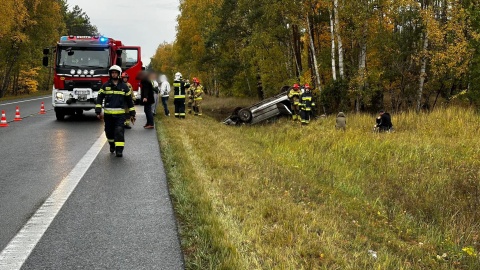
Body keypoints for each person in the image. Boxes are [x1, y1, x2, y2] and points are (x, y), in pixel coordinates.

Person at [95, 65, 136, 157]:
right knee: (109, 132)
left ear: (119, 74)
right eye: (112, 73)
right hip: (108, 115)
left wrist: (132, 113)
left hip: (120, 115)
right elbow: (99, 98)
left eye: (115, 73)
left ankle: (119, 150)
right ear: (110, 74)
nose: (114, 74)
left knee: (119, 131)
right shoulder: (105, 86)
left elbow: (129, 101)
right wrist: (98, 111)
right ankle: (112, 145)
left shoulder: (124, 87)